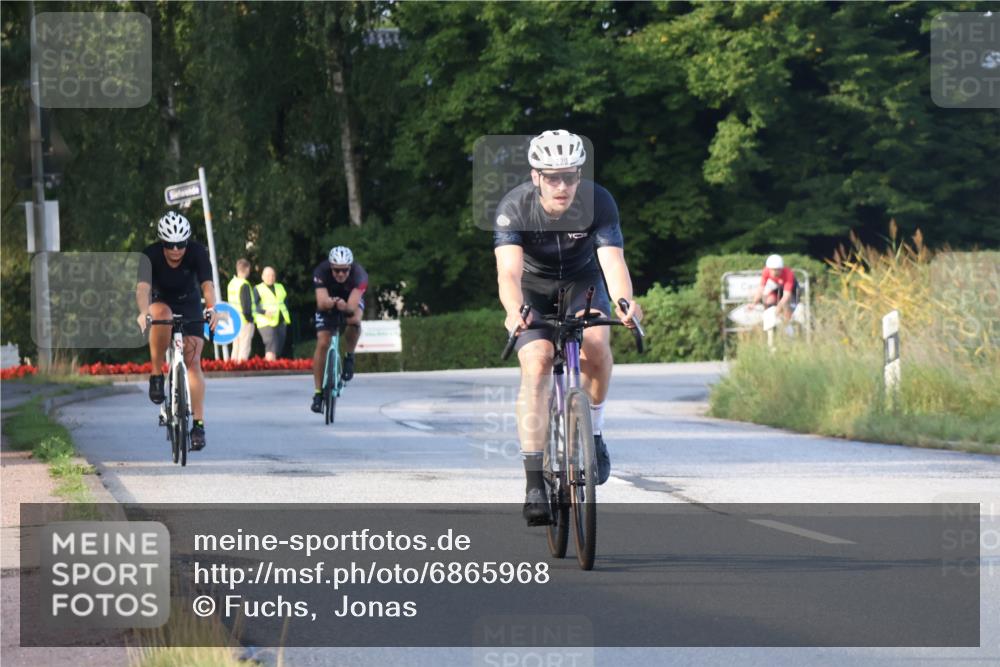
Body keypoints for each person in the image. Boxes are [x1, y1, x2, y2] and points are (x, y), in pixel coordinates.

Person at [493, 130, 642, 526]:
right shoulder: (514, 207)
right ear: (536, 176)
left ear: (579, 175)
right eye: (552, 176)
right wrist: (514, 310)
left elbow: (612, 262)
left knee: (596, 343)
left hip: (582, 283)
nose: (562, 186)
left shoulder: (599, 202)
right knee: (538, 361)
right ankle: (533, 483)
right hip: (533, 289)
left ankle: (594, 436)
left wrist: (625, 301)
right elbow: (508, 272)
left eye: (570, 176)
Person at [136, 211, 219, 450]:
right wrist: (144, 312)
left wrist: (211, 309)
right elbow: (142, 289)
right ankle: (155, 373)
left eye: (180, 245)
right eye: (170, 245)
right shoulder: (149, 255)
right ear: (162, 243)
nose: (176, 250)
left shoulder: (197, 252)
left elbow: (207, 285)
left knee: (193, 363)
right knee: (163, 315)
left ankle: (199, 425)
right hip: (161, 302)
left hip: (189, 302)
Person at [310, 246, 367, 412]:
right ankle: (318, 393)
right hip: (329, 302)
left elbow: (351, 308)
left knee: (354, 320)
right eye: (336, 271)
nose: (340, 274)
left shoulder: (360, 275)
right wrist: (330, 303)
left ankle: (349, 356)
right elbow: (321, 302)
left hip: (349, 302)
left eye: (344, 270)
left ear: (350, 268)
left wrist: (344, 307)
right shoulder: (321, 271)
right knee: (323, 342)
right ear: (330, 267)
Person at [255, 266, 291, 361]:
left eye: (272, 275)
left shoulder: (280, 287)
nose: (270, 277)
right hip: (266, 322)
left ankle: (267, 364)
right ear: (262, 277)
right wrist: (264, 312)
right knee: (271, 344)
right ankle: (270, 368)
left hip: (281, 321)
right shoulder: (258, 289)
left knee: (278, 347)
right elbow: (253, 305)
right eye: (268, 275)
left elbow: (285, 302)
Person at [748, 254, 798, 322]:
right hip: (778, 287)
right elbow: (761, 289)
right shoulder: (766, 271)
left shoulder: (788, 273)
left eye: (778, 270)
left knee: (786, 305)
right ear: (769, 269)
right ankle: (771, 322)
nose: (776, 272)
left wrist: (779, 307)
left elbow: (787, 295)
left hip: (791, 289)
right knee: (769, 300)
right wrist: (754, 303)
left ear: (781, 269)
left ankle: (787, 323)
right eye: (773, 270)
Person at [227, 258, 258, 362]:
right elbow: (246, 304)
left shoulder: (232, 283)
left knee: (236, 347)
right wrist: (250, 319)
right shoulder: (244, 284)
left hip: (234, 319)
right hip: (244, 320)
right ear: (247, 269)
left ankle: (232, 367)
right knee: (244, 347)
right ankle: (241, 368)